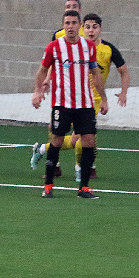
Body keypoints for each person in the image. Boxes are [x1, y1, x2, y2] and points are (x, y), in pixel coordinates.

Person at [31, 12, 128, 184]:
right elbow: (47, 67)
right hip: (65, 100)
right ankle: (57, 164)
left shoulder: (102, 48)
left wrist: (118, 94)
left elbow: (116, 71)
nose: (91, 31)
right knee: (70, 138)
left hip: (91, 101)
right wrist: (41, 87)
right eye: (88, 27)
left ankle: (81, 174)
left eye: (94, 27)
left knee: (85, 139)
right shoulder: (58, 45)